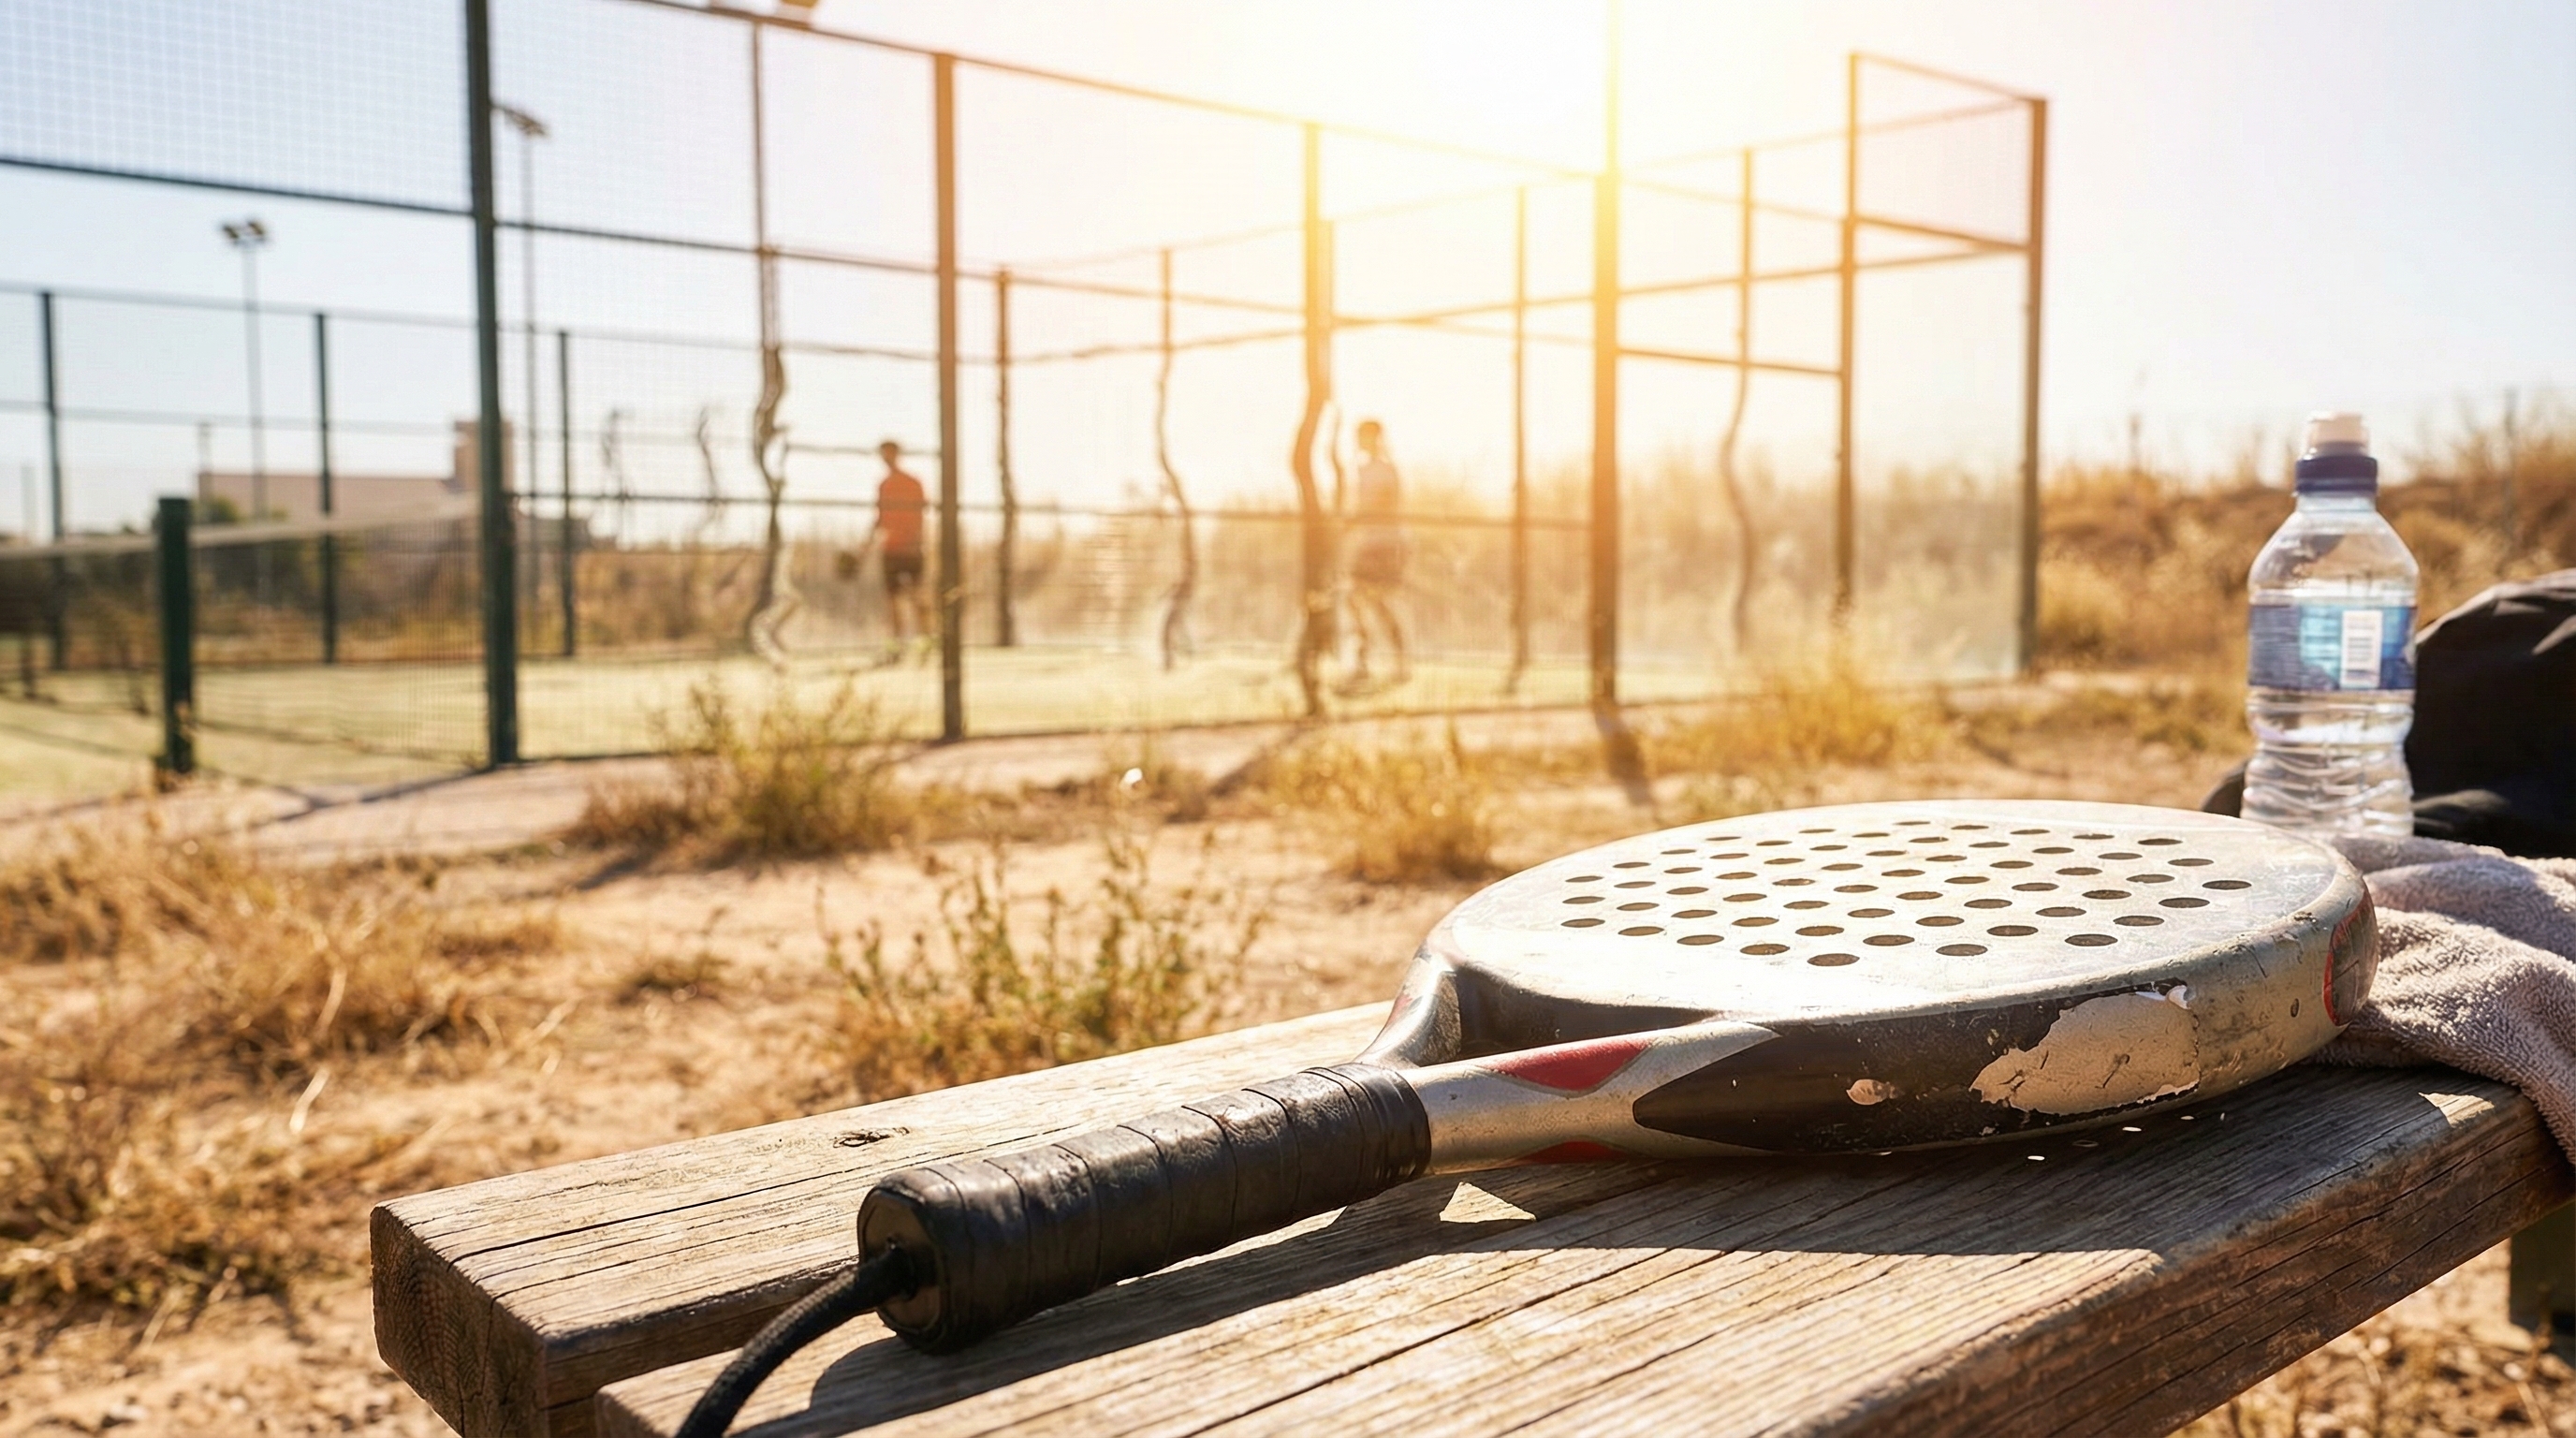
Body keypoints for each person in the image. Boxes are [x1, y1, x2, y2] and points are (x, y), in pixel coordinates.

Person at [1343, 418, 1410, 687]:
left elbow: (1383, 505)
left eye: (1364, 436)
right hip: (1369, 543)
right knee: (1357, 600)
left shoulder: (1385, 470)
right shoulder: (1362, 470)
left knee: (1376, 602)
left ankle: (1398, 662)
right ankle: (1365, 662)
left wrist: (1356, 517)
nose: (1359, 441)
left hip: (1385, 544)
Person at [869, 439, 928, 662]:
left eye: (890, 454)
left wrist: (916, 541)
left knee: (917, 600)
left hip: (911, 550)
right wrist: (865, 547)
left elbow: (921, 515)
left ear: (897, 455)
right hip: (890, 551)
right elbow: (879, 519)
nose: (886, 459)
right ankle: (896, 650)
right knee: (892, 602)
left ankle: (925, 647)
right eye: (883, 454)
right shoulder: (883, 485)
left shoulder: (913, 483)